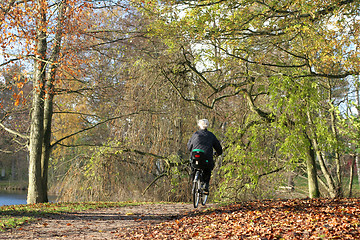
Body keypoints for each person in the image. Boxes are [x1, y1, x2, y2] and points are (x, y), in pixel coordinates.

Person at [187, 119, 222, 194]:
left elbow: (189, 146)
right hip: (206, 157)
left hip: (195, 156)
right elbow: (218, 147)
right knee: (208, 169)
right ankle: (205, 185)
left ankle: (194, 181)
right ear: (207, 126)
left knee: (193, 166)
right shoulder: (211, 135)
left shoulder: (195, 134)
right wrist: (218, 153)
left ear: (199, 125)